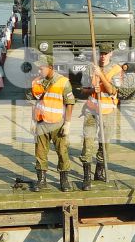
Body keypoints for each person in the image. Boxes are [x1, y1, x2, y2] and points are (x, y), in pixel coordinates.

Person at [30, 50, 76, 190]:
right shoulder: (36, 82)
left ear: (50, 67)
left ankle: (64, 180)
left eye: (41, 67)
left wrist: (67, 123)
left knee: (62, 151)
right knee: (40, 152)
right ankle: (41, 180)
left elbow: (70, 103)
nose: (39, 69)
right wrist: (32, 121)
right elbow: (34, 103)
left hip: (57, 123)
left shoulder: (63, 82)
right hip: (41, 123)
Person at [82, 46, 124, 185]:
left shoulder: (116, 69)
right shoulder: (90, 68)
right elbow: (82, 90)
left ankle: (99, 172)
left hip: (108, 113)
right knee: (88, 142)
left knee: (104, 143)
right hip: (91, 111)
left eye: (106, 54)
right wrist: (91, 89)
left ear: (111, 54)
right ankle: (86, 176)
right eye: (101, 54)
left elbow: (113, 91)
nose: (103, 56)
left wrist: (101, 76)